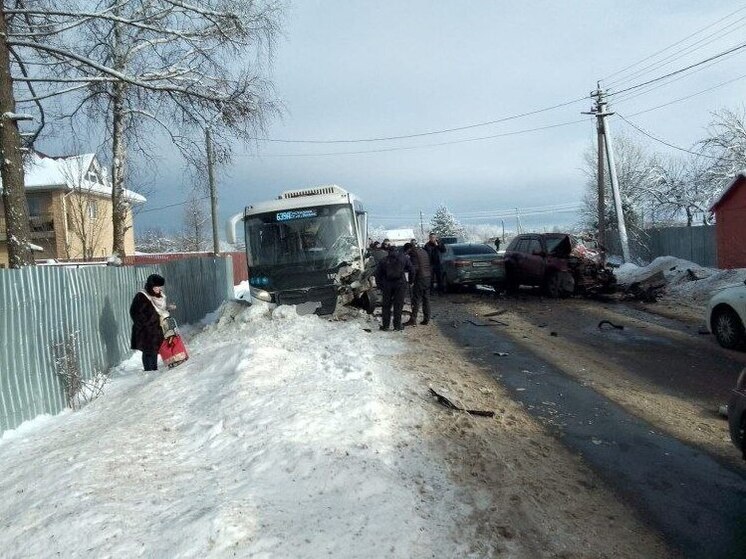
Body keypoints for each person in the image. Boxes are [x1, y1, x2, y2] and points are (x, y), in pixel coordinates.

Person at [129, 274, 175, 371]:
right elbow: (134, 312)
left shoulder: (161, 296)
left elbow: (160, 311)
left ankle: (153, 370)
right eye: (156, 287)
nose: (158, 289)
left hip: (157, 329)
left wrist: (167, 309)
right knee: (148, 351)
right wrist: (145, 323)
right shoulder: (142, 296)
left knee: (154, 351)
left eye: (159, 286)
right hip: (145, 330)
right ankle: (149, 371)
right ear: (151, 286)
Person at [375, 244, 414, 331]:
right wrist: (411, 281)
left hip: (387, 285)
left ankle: (385, 326)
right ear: (397, 251)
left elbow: (377, 274)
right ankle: (397, 326)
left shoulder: (383, 260)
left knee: (386, 306)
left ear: (388, 251)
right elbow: (412, 269)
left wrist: (379, 286)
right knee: (398, 305)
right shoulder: (404, 258)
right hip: (400, 284)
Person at [403, 242, 431, 326]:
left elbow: (414, 269)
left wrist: (411, 281)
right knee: (426, 299)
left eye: (407, 252)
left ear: (409, 249)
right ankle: (426, 319)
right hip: (428, 277)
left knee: (416, 299)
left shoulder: (414, 253)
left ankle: (413, 319)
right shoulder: (423, 251)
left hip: (420, 278)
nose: (407, 254)